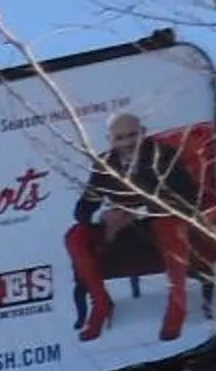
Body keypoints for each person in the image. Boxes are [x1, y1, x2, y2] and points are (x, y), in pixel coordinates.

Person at [65, 111, 201, 343]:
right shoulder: (104, 164)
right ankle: (101, 304)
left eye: (132, 135)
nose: (127, 142)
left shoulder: (163, 155)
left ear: (143, 133)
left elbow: (189, 198)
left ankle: (177, 307)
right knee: (75, 236)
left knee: (169, 225)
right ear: (111, 140)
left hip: (158, 224)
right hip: (120, 231)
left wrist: (140, 210)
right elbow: (82, 211)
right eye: (119, 138)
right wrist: (107, 219)